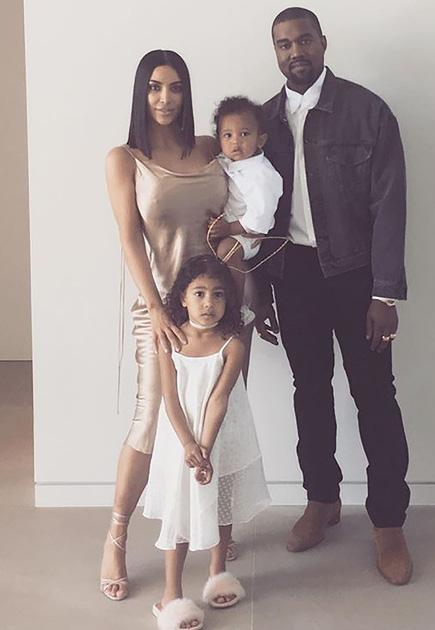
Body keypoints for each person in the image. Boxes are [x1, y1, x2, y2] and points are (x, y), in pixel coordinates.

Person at [254, 7, 413, 585]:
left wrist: (385, 295)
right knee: (310, 391)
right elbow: (252, 213)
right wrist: (259, 289)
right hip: (292, 274)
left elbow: (389, 206)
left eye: (303, 40)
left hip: (356, 275)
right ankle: (321, 499)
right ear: (275, 52)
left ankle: (388, 522)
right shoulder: (261, 122)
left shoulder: (367, 112)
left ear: (323, 43)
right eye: (283, 44)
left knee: (375, 395)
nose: (294, 51)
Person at [100, 50, 246, 602]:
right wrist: (157, 308)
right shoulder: (125, 159)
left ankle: (215, 536)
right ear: (142, 93)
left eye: (176, 87)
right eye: (155, 87)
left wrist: (242, 265)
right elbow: (128, 238)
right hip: (162, 311)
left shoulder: (211, 148)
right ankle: (116, 537)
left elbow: (242, 212)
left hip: (221, 309)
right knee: (150, 423)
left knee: (221, 419)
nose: (166, 98)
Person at [144, 254, 269, 629]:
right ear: (182, 297)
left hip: (221, 435)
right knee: (178, 509)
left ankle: (218, 573)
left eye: (218, 294)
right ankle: (171, 594)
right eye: (198, 293)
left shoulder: (232, 345)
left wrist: (207, 450)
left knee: (222, 502)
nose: (208, 303)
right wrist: (189, 446)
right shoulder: (170, 341)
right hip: (180, 438)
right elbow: (170, 398)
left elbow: (219, 399)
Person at [207, 96, 283, 311]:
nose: (235, 142)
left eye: (244, 134)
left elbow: (261, 215)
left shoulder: (262, 174)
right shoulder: (226, 161)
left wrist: (229, 229)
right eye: (228, 135)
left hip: (247, 233)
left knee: (227, 251)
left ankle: (238, 306)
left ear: (260, 140)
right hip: (228, 227)